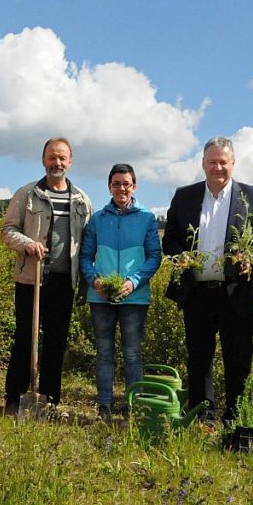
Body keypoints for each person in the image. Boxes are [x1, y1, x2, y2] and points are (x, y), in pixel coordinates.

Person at [162, 136, 253, 425]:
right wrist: (180, 256)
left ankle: (235, 418)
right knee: (198, 357)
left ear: (233, 164)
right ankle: (204, 416)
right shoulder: (184, 196)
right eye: (212, 162)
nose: (218, 167)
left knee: (238, 359)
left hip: (237, 292)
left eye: (223, 162)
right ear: (203, 164)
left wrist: (252, 256)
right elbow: (172, 238)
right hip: (197, 291)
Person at [0, 137, 93, 414]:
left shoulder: (81, 200)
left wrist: (85, 284)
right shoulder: (27, 195)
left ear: (70, 162)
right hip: (32, 279)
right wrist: (27, 244)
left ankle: (50, 398)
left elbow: (87, 244)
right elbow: (7, 231)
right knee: (25, 338)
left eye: (62, 158)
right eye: (52, 157)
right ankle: (14, 397)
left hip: (65, 282)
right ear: (43, 160)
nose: (57, 163)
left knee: (56, 341)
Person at [80, 164, 162, 421]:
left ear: (134, 186)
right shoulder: (97, 219)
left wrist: (133, 281)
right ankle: (104, 405)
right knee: (104, 353)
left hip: (134, 297)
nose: (121, 188)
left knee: (133, 353)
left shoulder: (147, 218)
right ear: (109, 187)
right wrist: (94, 281)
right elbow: (84, 256)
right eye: (116, 184)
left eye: (126, 184)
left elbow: (154, 256)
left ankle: (133, 405)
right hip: (100, 296)